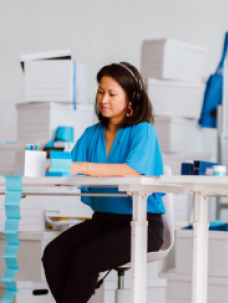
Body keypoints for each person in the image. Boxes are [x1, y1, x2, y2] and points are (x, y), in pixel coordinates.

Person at [42, 62, 164, 303]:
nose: (103, 99)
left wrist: (82, 167)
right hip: (104, 222)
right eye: (100, 91)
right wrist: (48, 165)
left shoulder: (143, 131)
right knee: (53, 254)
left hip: (142, 225)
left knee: (86, 257)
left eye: (112, 93)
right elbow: (68, 169)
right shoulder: (91, 134)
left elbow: (131, 171)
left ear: (131, 99)